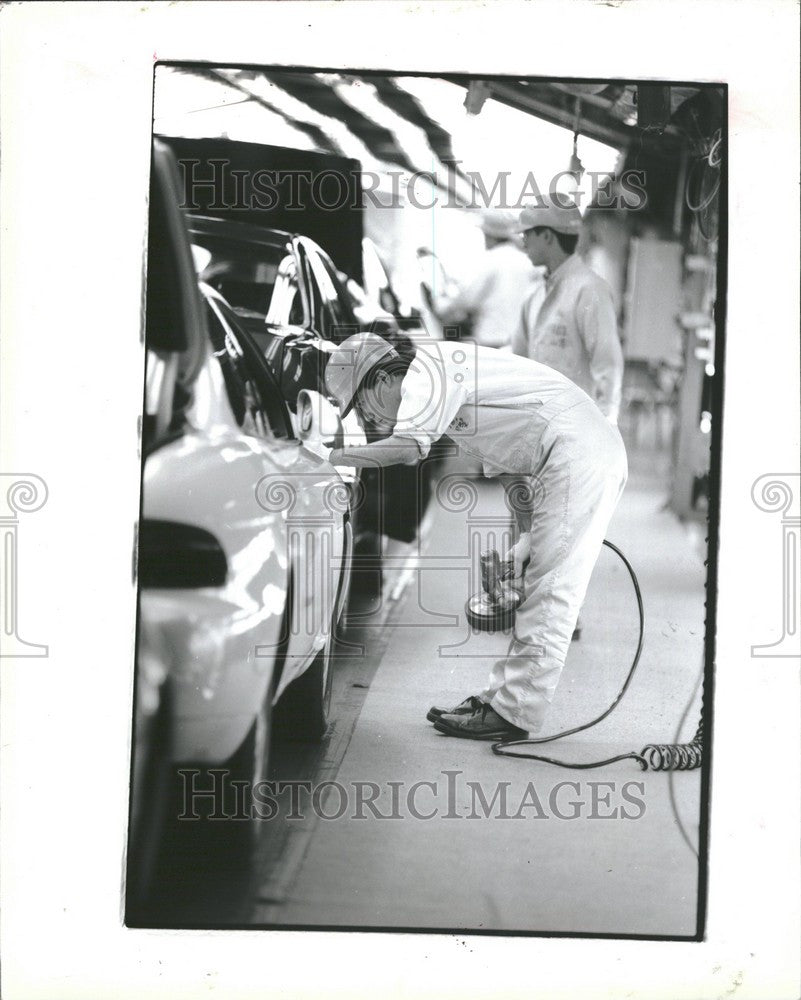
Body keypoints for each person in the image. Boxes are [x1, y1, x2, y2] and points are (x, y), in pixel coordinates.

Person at [323, 329, 628, 741]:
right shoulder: (446, 391)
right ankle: (499, 700)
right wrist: (526, 542)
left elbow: (411, 448)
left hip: (579, 451)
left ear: (380, 380)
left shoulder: (426, 373)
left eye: (361, 407)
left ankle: (515, 713)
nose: (369, 420)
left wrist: (332, 458)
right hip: (570, 451)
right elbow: (516, 474)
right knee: (538, 581)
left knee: (552, 591)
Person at [511, 196, 624, 423]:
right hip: (537, 423)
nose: (523, 242)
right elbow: (518, 360)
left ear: (547, 236)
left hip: (577, 426)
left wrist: (605, 426)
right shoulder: (533, 296)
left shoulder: (590, 290)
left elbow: (607, 366)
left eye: (528, 234)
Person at [425, 208, 541, 350]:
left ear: (489, 234)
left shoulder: (489, 261)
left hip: (491, 340)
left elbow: (467, 299)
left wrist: (440, 305)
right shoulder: (528, 262)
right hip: (519, 342)